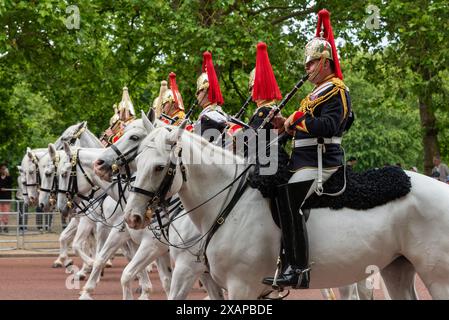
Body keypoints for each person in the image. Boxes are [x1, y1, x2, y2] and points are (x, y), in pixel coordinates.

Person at [263, 9, 352, 289]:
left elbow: (328, 126)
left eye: (311, 63)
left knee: (289, 198)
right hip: (302, 160)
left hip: (321, 161)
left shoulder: (336, 89)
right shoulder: (313, 95)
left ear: (325, 63)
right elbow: (302, 124)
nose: (307, 69)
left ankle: (299, 268)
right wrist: (282, 126)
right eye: (307, 65)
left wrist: (295, 120)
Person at [194, 51, 228, 140]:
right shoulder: (210, 113)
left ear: (205, 91)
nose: (196, 95)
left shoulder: (211, 116)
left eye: (198, 92)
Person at [0, 164, 13, 233]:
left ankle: (5, 226)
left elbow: (11, 183)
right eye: (2, 169)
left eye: (5, 169)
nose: (3, 170)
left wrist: (8, 175)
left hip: (7, 197)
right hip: (0, 197)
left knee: (6, 212)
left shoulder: (8, 177)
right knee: (0, 212)